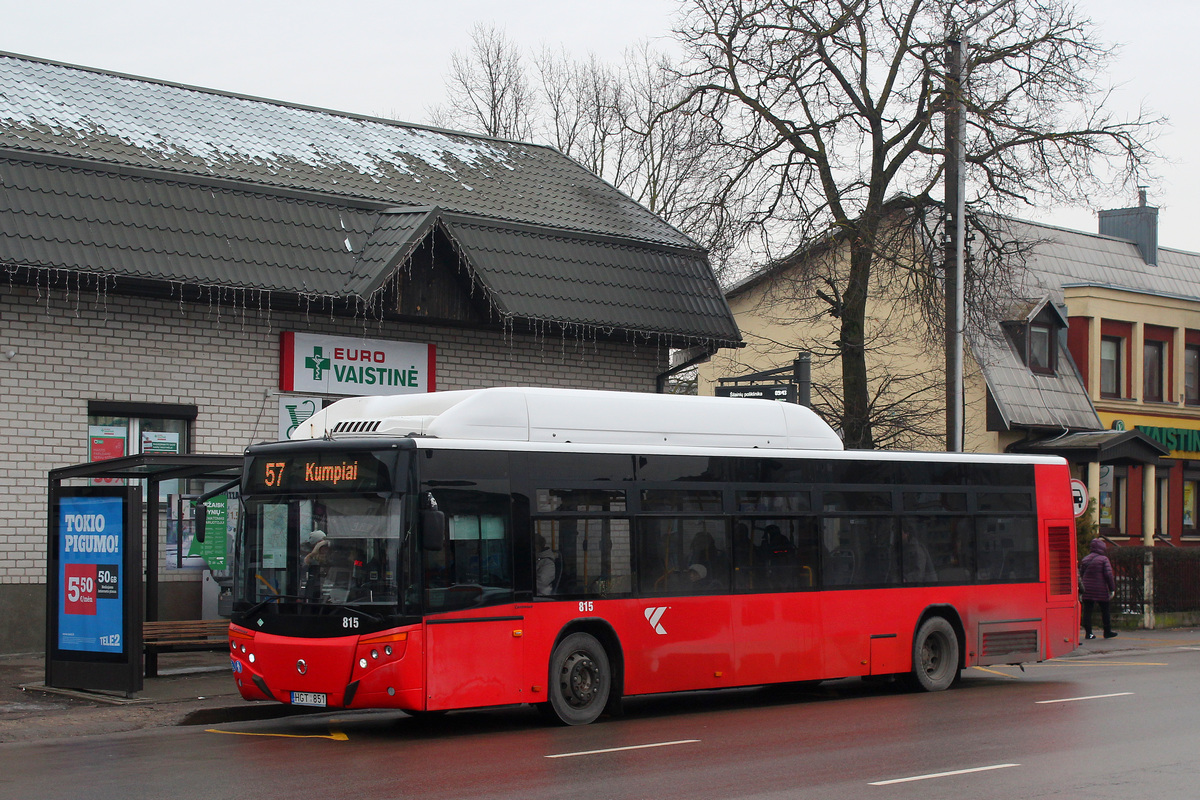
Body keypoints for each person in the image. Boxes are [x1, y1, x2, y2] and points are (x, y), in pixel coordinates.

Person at [1079, 538, 1117, 639]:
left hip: (1087, 589)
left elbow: (1080, 574)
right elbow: (1108, 575)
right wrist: (1112, 589)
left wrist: (1081, 589)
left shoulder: (1085, 559)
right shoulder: (1104, 559)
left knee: (1087, 611)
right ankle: (1107, 631)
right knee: (1105, 610)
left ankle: (1089, 633)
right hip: (1100, 590)